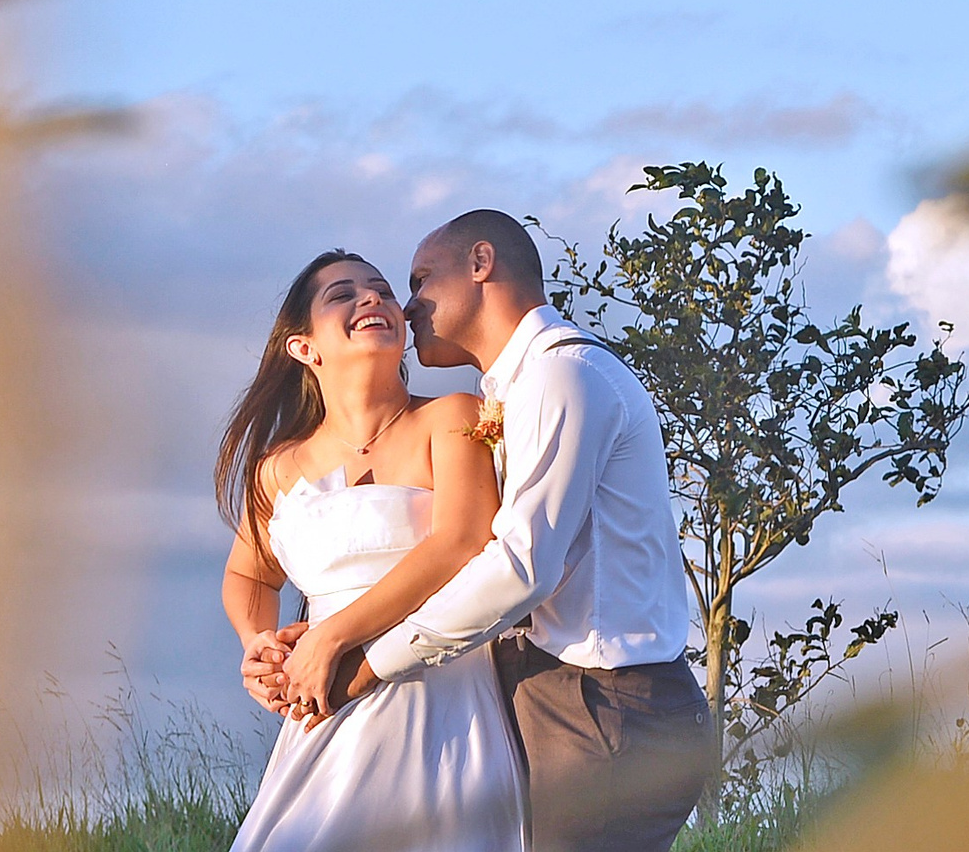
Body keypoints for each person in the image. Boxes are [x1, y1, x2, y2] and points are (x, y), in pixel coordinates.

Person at [259, 209, 711, 852]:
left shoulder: (563, 375)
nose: (407, 306)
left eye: (418, 280)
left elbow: (520, 567)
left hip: (606, 703)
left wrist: (365, 665)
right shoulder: (518, 390)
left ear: (480, 264)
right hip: (548, 697)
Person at [216, 250, 527, 852]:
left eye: (382, 290)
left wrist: (330, 638)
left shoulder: (452, 417)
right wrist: (259, 646)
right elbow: (249, 576)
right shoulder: (276, 468)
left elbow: (462, 541)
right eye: (342, 295)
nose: (372, 299)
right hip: (323, 703)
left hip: (441, 703)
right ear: (304, 348)